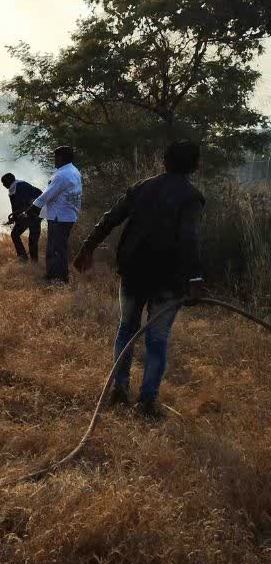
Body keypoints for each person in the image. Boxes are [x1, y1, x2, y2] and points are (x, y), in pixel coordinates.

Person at [72, 139, 205, 418]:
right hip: (168, 280)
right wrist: (194, 278)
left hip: (133, 272)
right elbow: (189, 240)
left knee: (127, 329)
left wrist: (87, 248)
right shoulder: (192, 196)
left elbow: (110, 219)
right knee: (157, 339)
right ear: (195, 166)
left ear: (164, 162)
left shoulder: (142, 188)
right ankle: (146, 401)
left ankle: (120, 390)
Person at [20, 146, 82, 282]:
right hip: (67, 215)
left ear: (61, 158)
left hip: (59, 217)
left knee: (55, 248)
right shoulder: (74, 171)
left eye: (55, 157)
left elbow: (46, 195)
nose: (54, 160)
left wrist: (30, 210)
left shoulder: (62, 175)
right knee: (58, 247)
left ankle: (56, 278)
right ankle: (57, 276)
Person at [1, 173, 43, 262]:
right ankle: (33, 262)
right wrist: (14, 218)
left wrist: (17, 217)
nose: (3, 185)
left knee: (15, 234)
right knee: (33, 239)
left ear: (8, 181)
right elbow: (19, 207)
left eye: (4, 183)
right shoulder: (16, 187)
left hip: (32, 215)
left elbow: (26, 204)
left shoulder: (20, 186)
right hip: (35, 215)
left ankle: (23, 259)